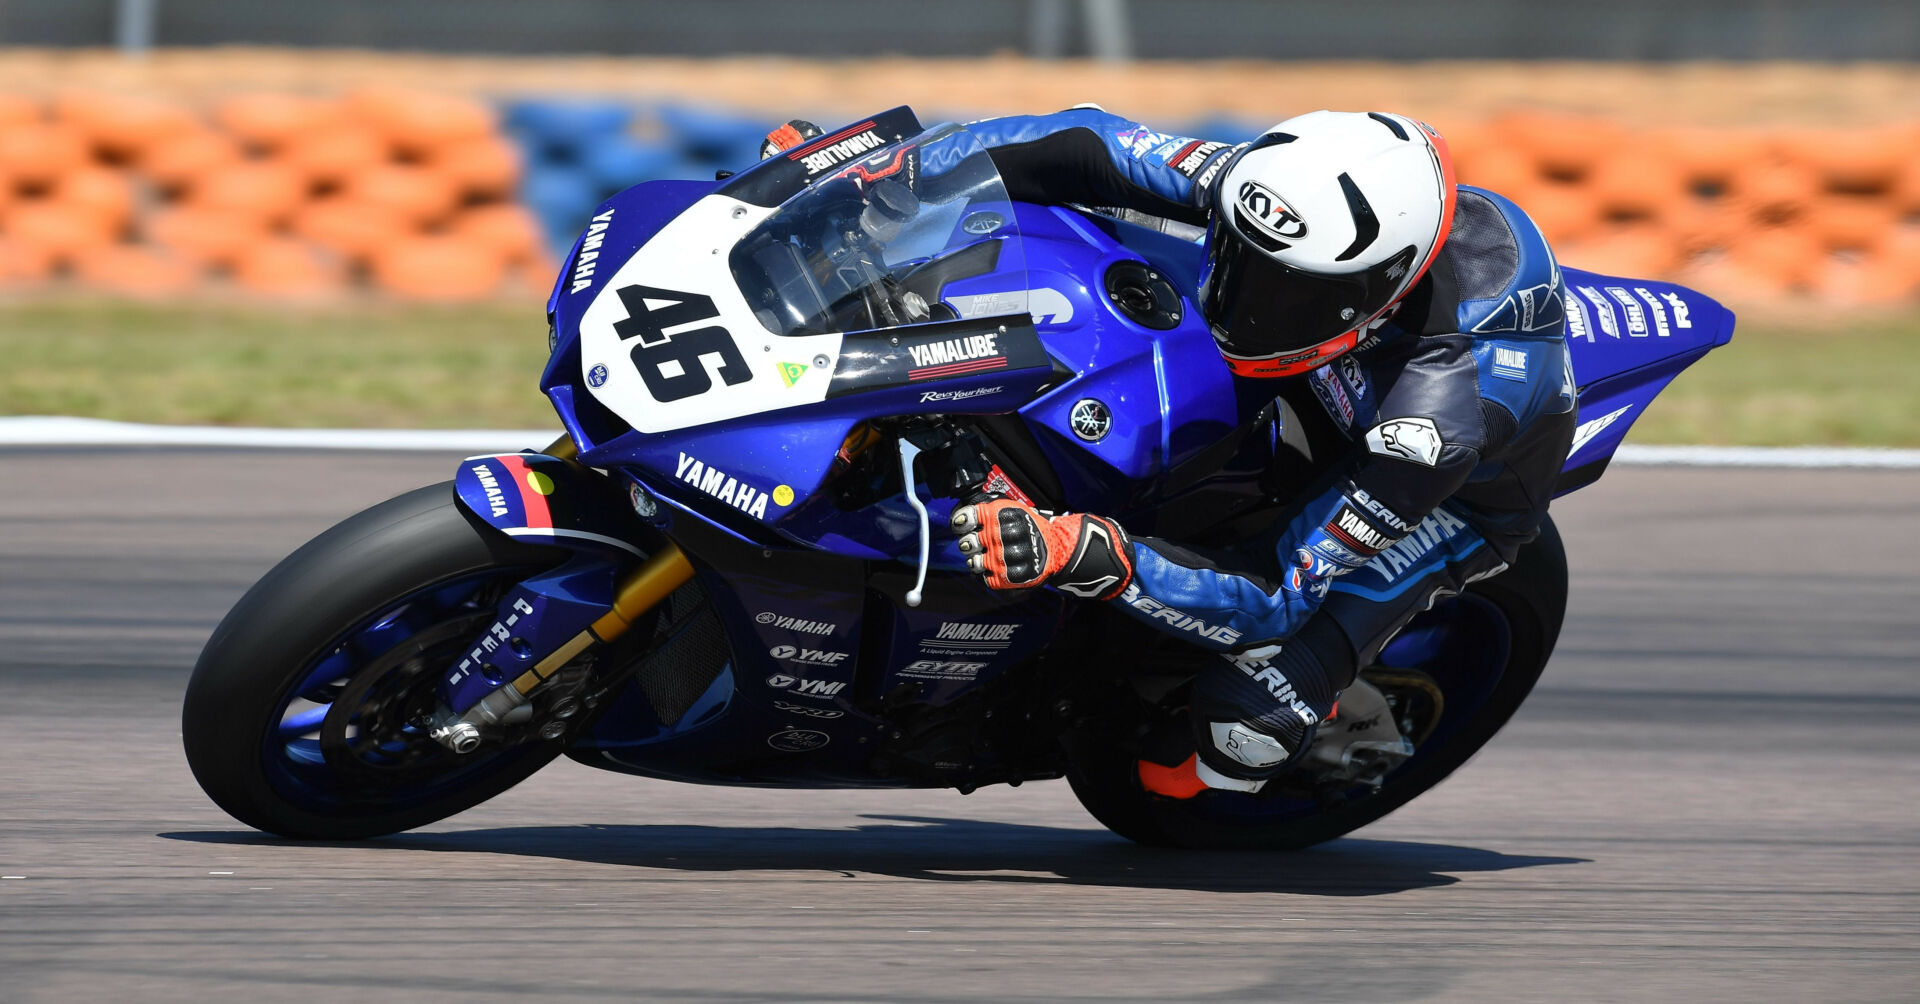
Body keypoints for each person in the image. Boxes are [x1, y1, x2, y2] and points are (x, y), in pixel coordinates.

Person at [772, 107, 1578, 796]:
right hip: (1314, 381)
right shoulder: (1277, 197)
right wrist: (887, 177)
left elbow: (1276, 591)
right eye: (1244, 262)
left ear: (1384, 288)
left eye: (1293, 294)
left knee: (1246, 727)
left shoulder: (1434, 422)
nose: (1249, 303)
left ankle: (1331, 716)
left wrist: (1080, 550)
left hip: (1453, 501)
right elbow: (1084, 142)